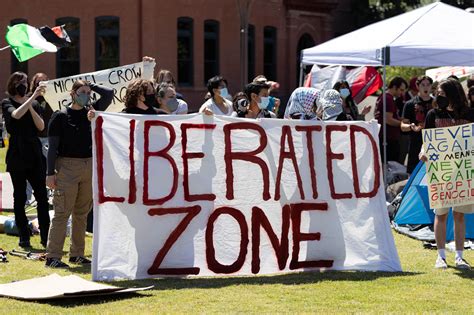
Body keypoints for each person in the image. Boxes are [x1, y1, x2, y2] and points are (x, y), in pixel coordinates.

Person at [45, 80, 113, 268]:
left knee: (81, 213)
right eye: (82, 92)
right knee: (62, 212)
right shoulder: (60, 116)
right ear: (72, 94)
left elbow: (109, 93)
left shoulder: (91, 113)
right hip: (67, 166)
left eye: (88, 92)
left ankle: (77, 254)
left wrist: (92, 85)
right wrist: (50, 173)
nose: (86, 95)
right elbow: (52, 148)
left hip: (88, 165)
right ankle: (53, 256)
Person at [420, 79, 473, 270]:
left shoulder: (469, 114)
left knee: (459, 214)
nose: (438, 96)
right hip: (440, 171)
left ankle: (459, 256)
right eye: (438, 93)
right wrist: (422, 152)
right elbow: (427, 139)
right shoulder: (433, 114)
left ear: (453, 94)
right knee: (440, 214)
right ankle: (440, 256)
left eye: (442, 93)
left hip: (462, 171)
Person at [1, 72, 50, 248]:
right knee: (20, 196)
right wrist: (29, 100)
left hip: (34, 152)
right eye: (18, 82)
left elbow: (41, 126)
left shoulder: (34, 103)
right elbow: (15, 115)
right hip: (17, 153)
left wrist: (30, 103)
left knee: (42, 197)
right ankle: (24, 236)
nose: (22, 85)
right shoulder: (7, 102)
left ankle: (46, 237)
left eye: (24, 82)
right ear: (12, 84)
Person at [401, 75, 433, 174]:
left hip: (434, 144)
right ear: (417, 86)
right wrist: (411, 127)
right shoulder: (410, 104)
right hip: (416, 144)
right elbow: (403, 126)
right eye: (423, 85)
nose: (425, 87)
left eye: (428, 85)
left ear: (431, 86)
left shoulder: (436, 103)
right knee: (413, 176)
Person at [376, 76, 407, 163]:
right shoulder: (388, 98)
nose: (402, 93)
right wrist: (402, 124)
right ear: (394, 87)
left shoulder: (385, 97)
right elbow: (388, 120)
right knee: (390, 167)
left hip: (386, 137)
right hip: (387, 139)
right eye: (401, 90)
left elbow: (389, 116)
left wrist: (402, 120)